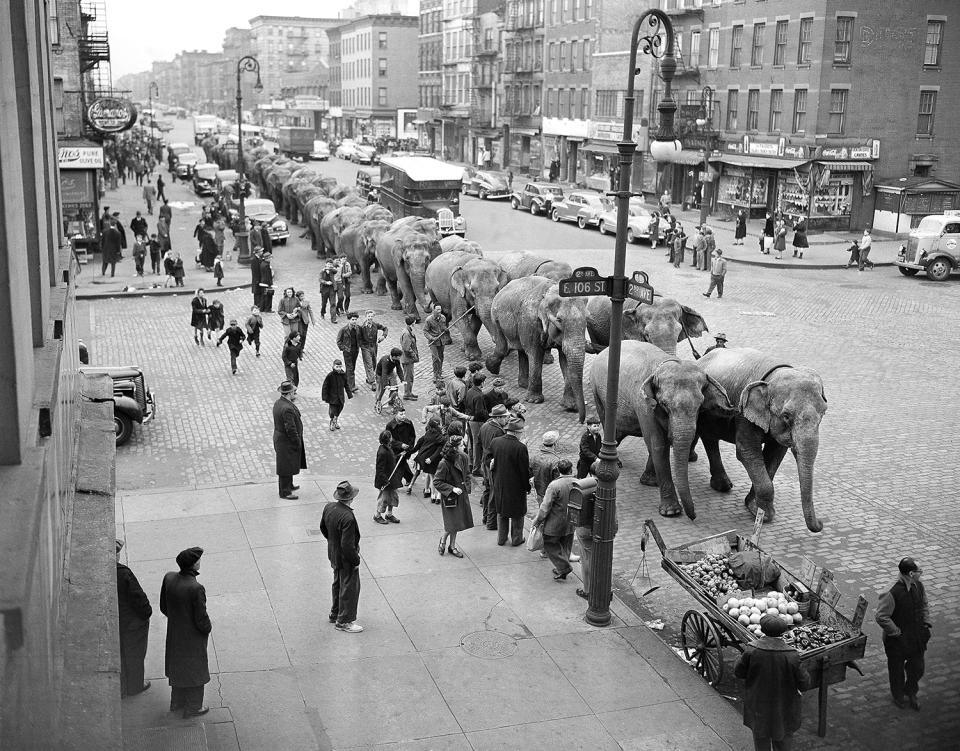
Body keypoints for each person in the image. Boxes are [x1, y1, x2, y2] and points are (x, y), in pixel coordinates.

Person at [734, 614, 811, 751]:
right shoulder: (792, 655)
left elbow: (739, 672)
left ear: (763, 630)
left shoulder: (751, 650)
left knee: (761, 742)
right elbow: (805, 683)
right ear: (783, 632)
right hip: (784, 708)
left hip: (758, 707)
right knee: (783, 742)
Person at [160, 546, 212, 718]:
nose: (199, 562)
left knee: (178, 667)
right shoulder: (196, 588)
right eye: (198, 560)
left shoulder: (169, 578)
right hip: (192, 638)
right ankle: (193, 706)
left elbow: (164, 607)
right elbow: (201, 618)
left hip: (175, 633)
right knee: (195, 670)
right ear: (193, 565)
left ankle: (177, 702)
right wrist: (207, 628)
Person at [875, 557, 931, 710]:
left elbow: (923, 604)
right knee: (896, 670)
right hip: (897, 640)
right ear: (912, 573)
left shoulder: (918, 585)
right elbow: (881, 616)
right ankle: (898, 695)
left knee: (917, 668)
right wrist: (897, 633)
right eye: (920, 571)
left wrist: (926, 621)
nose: (922, 573)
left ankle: (911, 691)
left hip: (917, 636)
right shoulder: (891, 591)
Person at [320, 481, 364, 633]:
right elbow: (347, 546)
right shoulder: (348, 517)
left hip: (333, 553)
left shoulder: (329, 507)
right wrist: (356, 560)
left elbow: (323, 528)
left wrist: (333, 542)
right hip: (346, 558)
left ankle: (335, 612)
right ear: (351, 498)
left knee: (337, 583)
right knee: (349, 588)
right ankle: (344, 621)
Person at [116, 539, 152, 698]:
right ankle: (135, 685)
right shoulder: (123, 573)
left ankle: (122, 686)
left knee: (121, 655)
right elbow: (138, 599)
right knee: (135, 655)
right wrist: (146, 613)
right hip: (132, 623)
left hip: (117, 622)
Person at [489, 417, 531, 546]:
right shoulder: (520, 447)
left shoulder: (495, 442)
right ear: (516, 432)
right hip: (515, 487)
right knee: (518, 514)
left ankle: (501, 539)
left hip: (499, 484)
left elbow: (488, 459)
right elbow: (524, 471)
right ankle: (517, 539)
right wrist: (527, 487)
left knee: (501, 512)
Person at [533, 459, 576, 581]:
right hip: (571, 520)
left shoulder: (554, 485)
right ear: (571, 470)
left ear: (558, 471)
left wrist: (538, 520)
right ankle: (562, 568)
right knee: (566, 545)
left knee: (549, 543)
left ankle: (563, 567)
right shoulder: (577, 483)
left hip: (555, 521)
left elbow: (545, 506)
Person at [432, 435, 474, 557]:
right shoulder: (444, 463)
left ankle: (452, 546)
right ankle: (445, 541)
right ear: (455, 448)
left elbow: (466, 473)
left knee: (457, 523)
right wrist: (452, 489)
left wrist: (466, 487)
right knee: (453, 523)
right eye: (461, 445)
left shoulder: (462, 457)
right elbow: (437, 482)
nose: (464, 446)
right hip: (451, 497)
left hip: (460, 495)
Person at [273, 380, 305, 499]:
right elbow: (290, 428)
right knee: (285, 466)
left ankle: (289, 485)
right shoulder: (287, 408)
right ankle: (285, 491)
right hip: (286, 441)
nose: (294, 394)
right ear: (289, 393)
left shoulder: (279, 403)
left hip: (280, 439)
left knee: (289, 463)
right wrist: (296, 441)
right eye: (293, 392)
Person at [410, 416, 446, 498]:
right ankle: (436, 496)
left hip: (424, 458)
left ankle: (428, 491)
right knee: (435, 477)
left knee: (429, 475)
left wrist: (408, 451)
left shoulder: (427, 434)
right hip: (433, 459)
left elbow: (416, 447)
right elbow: (440, 448)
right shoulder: (439, 437)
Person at [374, 429, 403, 524]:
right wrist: (385, 481)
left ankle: (389, 514)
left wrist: (399, 455)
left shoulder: (387, 448)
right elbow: (380, 469)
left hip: (391, 479)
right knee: (384, 499)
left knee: (393, 497)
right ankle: (377, 515)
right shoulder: (382, 452)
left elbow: (391, 459)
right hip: (385, 480)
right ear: (388, 439)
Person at [463, 372, 489, 475]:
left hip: (470, 419)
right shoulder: (479, 395)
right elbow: (479, 412)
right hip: (477, 422)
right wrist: (488, 415)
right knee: (477, 445)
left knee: (471, 443)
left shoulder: (470, 391)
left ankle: (470, 463)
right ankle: (476, 468)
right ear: (481, 383)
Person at [385, 406, 417, 486]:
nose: (403, 416)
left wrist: (409, 447)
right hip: (395, 449)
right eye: (401, 414)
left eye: (404, 414)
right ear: (395, 414)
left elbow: (412, 436)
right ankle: (408, 479)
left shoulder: (408, 423)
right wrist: (400, 445)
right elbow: (390, 439)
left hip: (406, 449)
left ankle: (398, 482)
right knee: (399, 464)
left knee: (400, 464)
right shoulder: (390, 426)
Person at [530, 430, 563, 504]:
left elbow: (530, 474)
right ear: (555, 443)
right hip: (551, 495)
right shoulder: (556, 461)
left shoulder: (534, 457)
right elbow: (557, 482)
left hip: (539, 492)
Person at [359, 310, 388, 390]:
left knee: (374, 362)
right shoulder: (362, 327)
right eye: (368, 316)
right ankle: (373, 382)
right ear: (366, 316)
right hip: (365, 347)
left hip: (374, 346)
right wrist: (361, 345)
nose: (370, 318)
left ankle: (369, 378)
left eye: (371, 316)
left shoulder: (375, 325)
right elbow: (358, 337)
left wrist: (383, 336)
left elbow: (385, 328)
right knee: (369, 363)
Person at [322, 359, 353, 430]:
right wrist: (325, 396)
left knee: (340, 408)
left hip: (340, 396)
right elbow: (325, 386)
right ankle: (332, 421)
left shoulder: (343, 375)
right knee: (332, 410)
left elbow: (346, 384)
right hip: (332, 397)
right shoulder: (330, 376)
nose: (338, 368)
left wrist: (349, 394)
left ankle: (335, 419)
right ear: (333, 367)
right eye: (337, 367)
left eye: (340, 366)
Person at [336, 311, 362, 394]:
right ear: (349, 320)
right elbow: (339, 341)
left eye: (355, 319)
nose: (354, 321)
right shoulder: (344, 330)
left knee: (352, 367)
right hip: (347, 352)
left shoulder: (358, 328)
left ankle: (346, 382)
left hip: (355, 351)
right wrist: (344, 348)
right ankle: (352, 387)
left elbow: (360, 337)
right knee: (350, 368)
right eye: (352, 319)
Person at [422, 305, 451, 380]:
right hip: (433, 342)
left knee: (441, 357)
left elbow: (443, 327)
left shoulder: (443, 318)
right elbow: (425, 331)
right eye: (437, 309)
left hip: (441, 341)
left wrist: (445, 329)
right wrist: (432, 338)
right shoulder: (429, 320)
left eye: (440, 309)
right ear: (433, 310)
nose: (439, 311)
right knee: (435, 358)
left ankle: (439, 373)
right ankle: (435, 375)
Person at [399, 315, 420, 400]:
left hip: (408, 359)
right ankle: (407, 394)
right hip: (408, 359)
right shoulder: (407, 333)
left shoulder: (407, 330)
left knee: (409, 376)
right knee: (408, 377)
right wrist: (413, 355)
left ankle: (409, 392)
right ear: (413, 322)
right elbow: (406, 348)